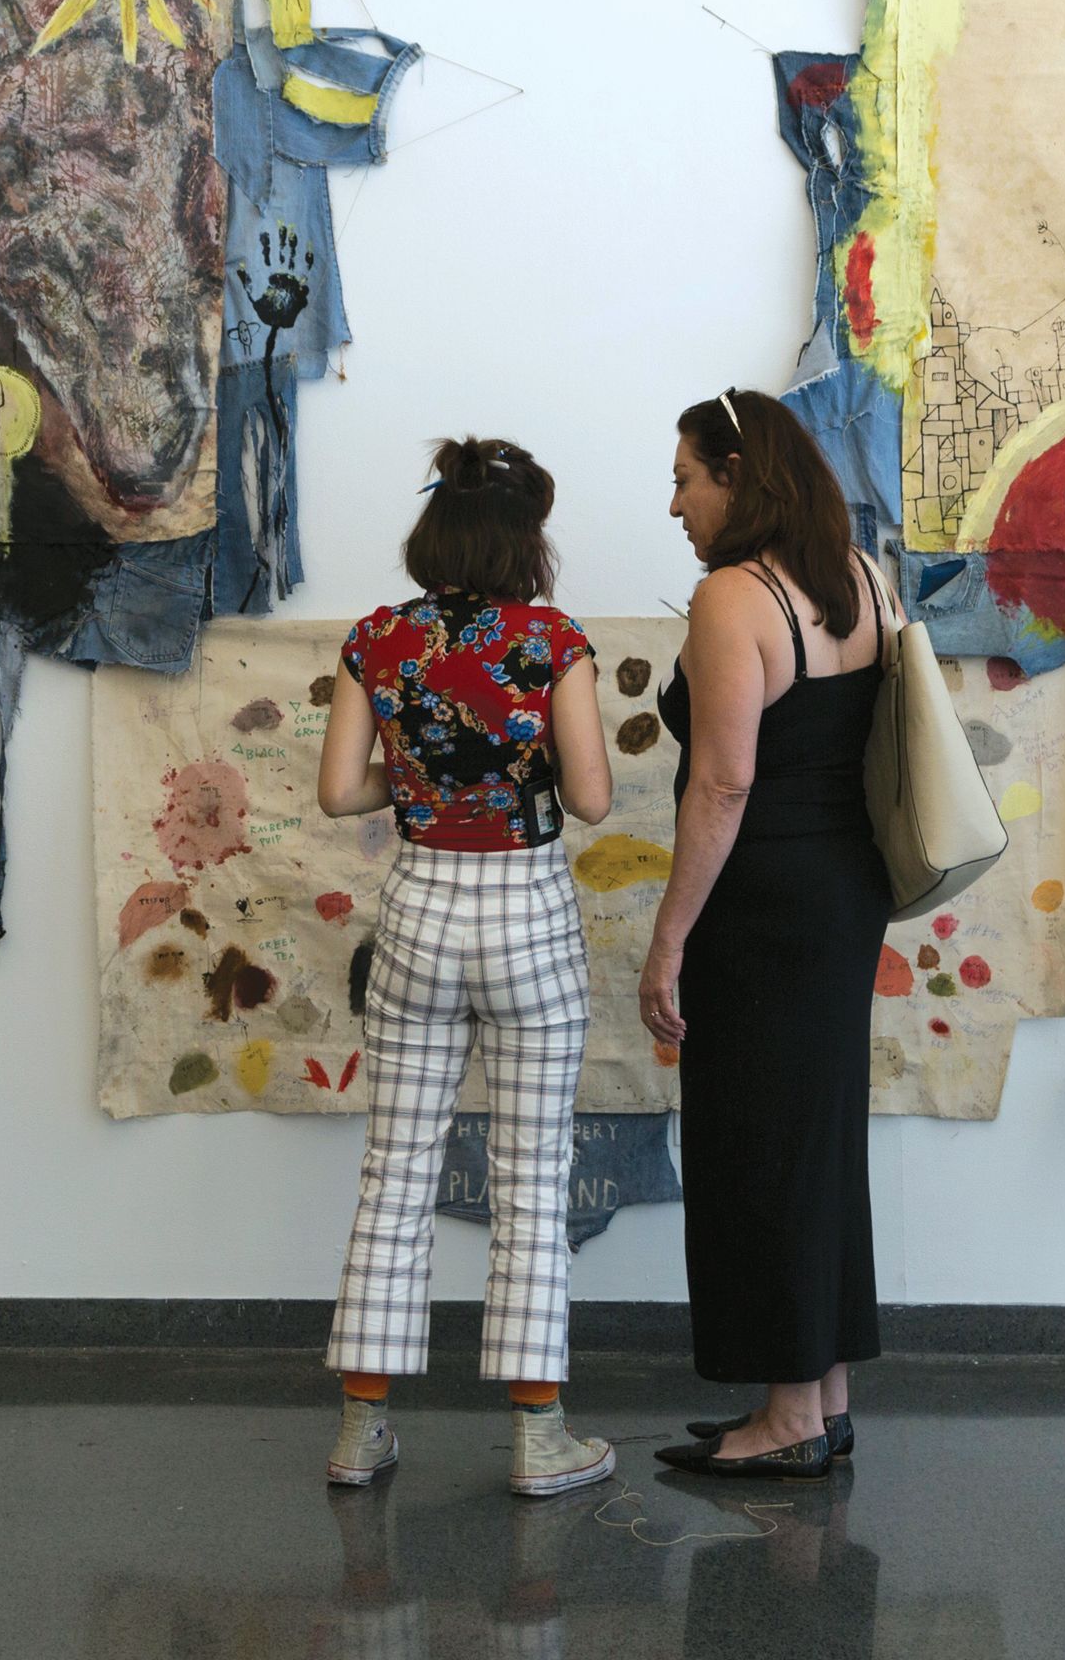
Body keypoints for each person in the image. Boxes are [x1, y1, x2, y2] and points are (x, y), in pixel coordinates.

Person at [318, 436, 620, 1499]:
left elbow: (339, 792)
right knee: (532, 1178)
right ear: (522, 541)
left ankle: (362, 1433)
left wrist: (419, 783)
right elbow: (591, 799)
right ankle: (540, 1439)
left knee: (395, 1171)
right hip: (526, 915)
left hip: (418, 914)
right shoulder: (551, 641)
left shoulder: (376, 639)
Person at [641, 386, 898, 1480]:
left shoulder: (732, 598)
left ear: (737, 477)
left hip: (762, 906)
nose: (675, 504)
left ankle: (788, 1417)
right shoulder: (863, 578)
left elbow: (725, 781)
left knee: (759, 1148)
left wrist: (669, 938)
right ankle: (822, 1399)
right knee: (818, 1144)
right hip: (844, 892)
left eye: (685, 479)